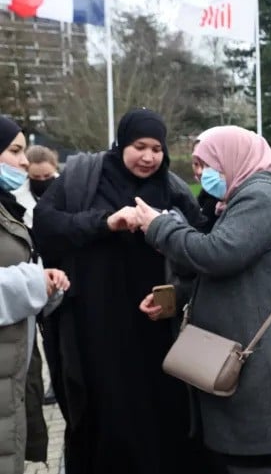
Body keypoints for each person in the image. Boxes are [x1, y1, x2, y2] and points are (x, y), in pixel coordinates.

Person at [134, 126, 271, 474]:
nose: (201, 173)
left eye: (207, 163)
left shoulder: (262, 196)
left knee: (256, 463)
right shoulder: (248, 196)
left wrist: (158, 226)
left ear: (232, 157)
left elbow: (216, 254)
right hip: (259, 363)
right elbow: (237, 275)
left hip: (264, 369)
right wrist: (178, 296)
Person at [33, 108, 208, 474]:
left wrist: (176, 298)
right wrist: (105, 222)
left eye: (157, 149)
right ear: (121, 143)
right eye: (139, 146)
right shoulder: (83, 180)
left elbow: (200, 252)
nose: (148, 157)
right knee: (105, 410)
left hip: (157, 327)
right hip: (96, 325)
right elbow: (47, 225)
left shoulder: (172, 189)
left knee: (162, 411)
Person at [0, 115, 70, 474]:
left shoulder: (5, 206)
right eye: (15, 151)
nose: (24, 163)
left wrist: (44, 279)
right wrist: (33, 282)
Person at [12, 144, 60, 406]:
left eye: (47, 178)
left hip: (60, 276)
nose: (42, 183)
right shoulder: (17, 196)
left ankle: (57, 379)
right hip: (33, 273)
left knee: (56, 335)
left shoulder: (65, 193)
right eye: (36, 178)